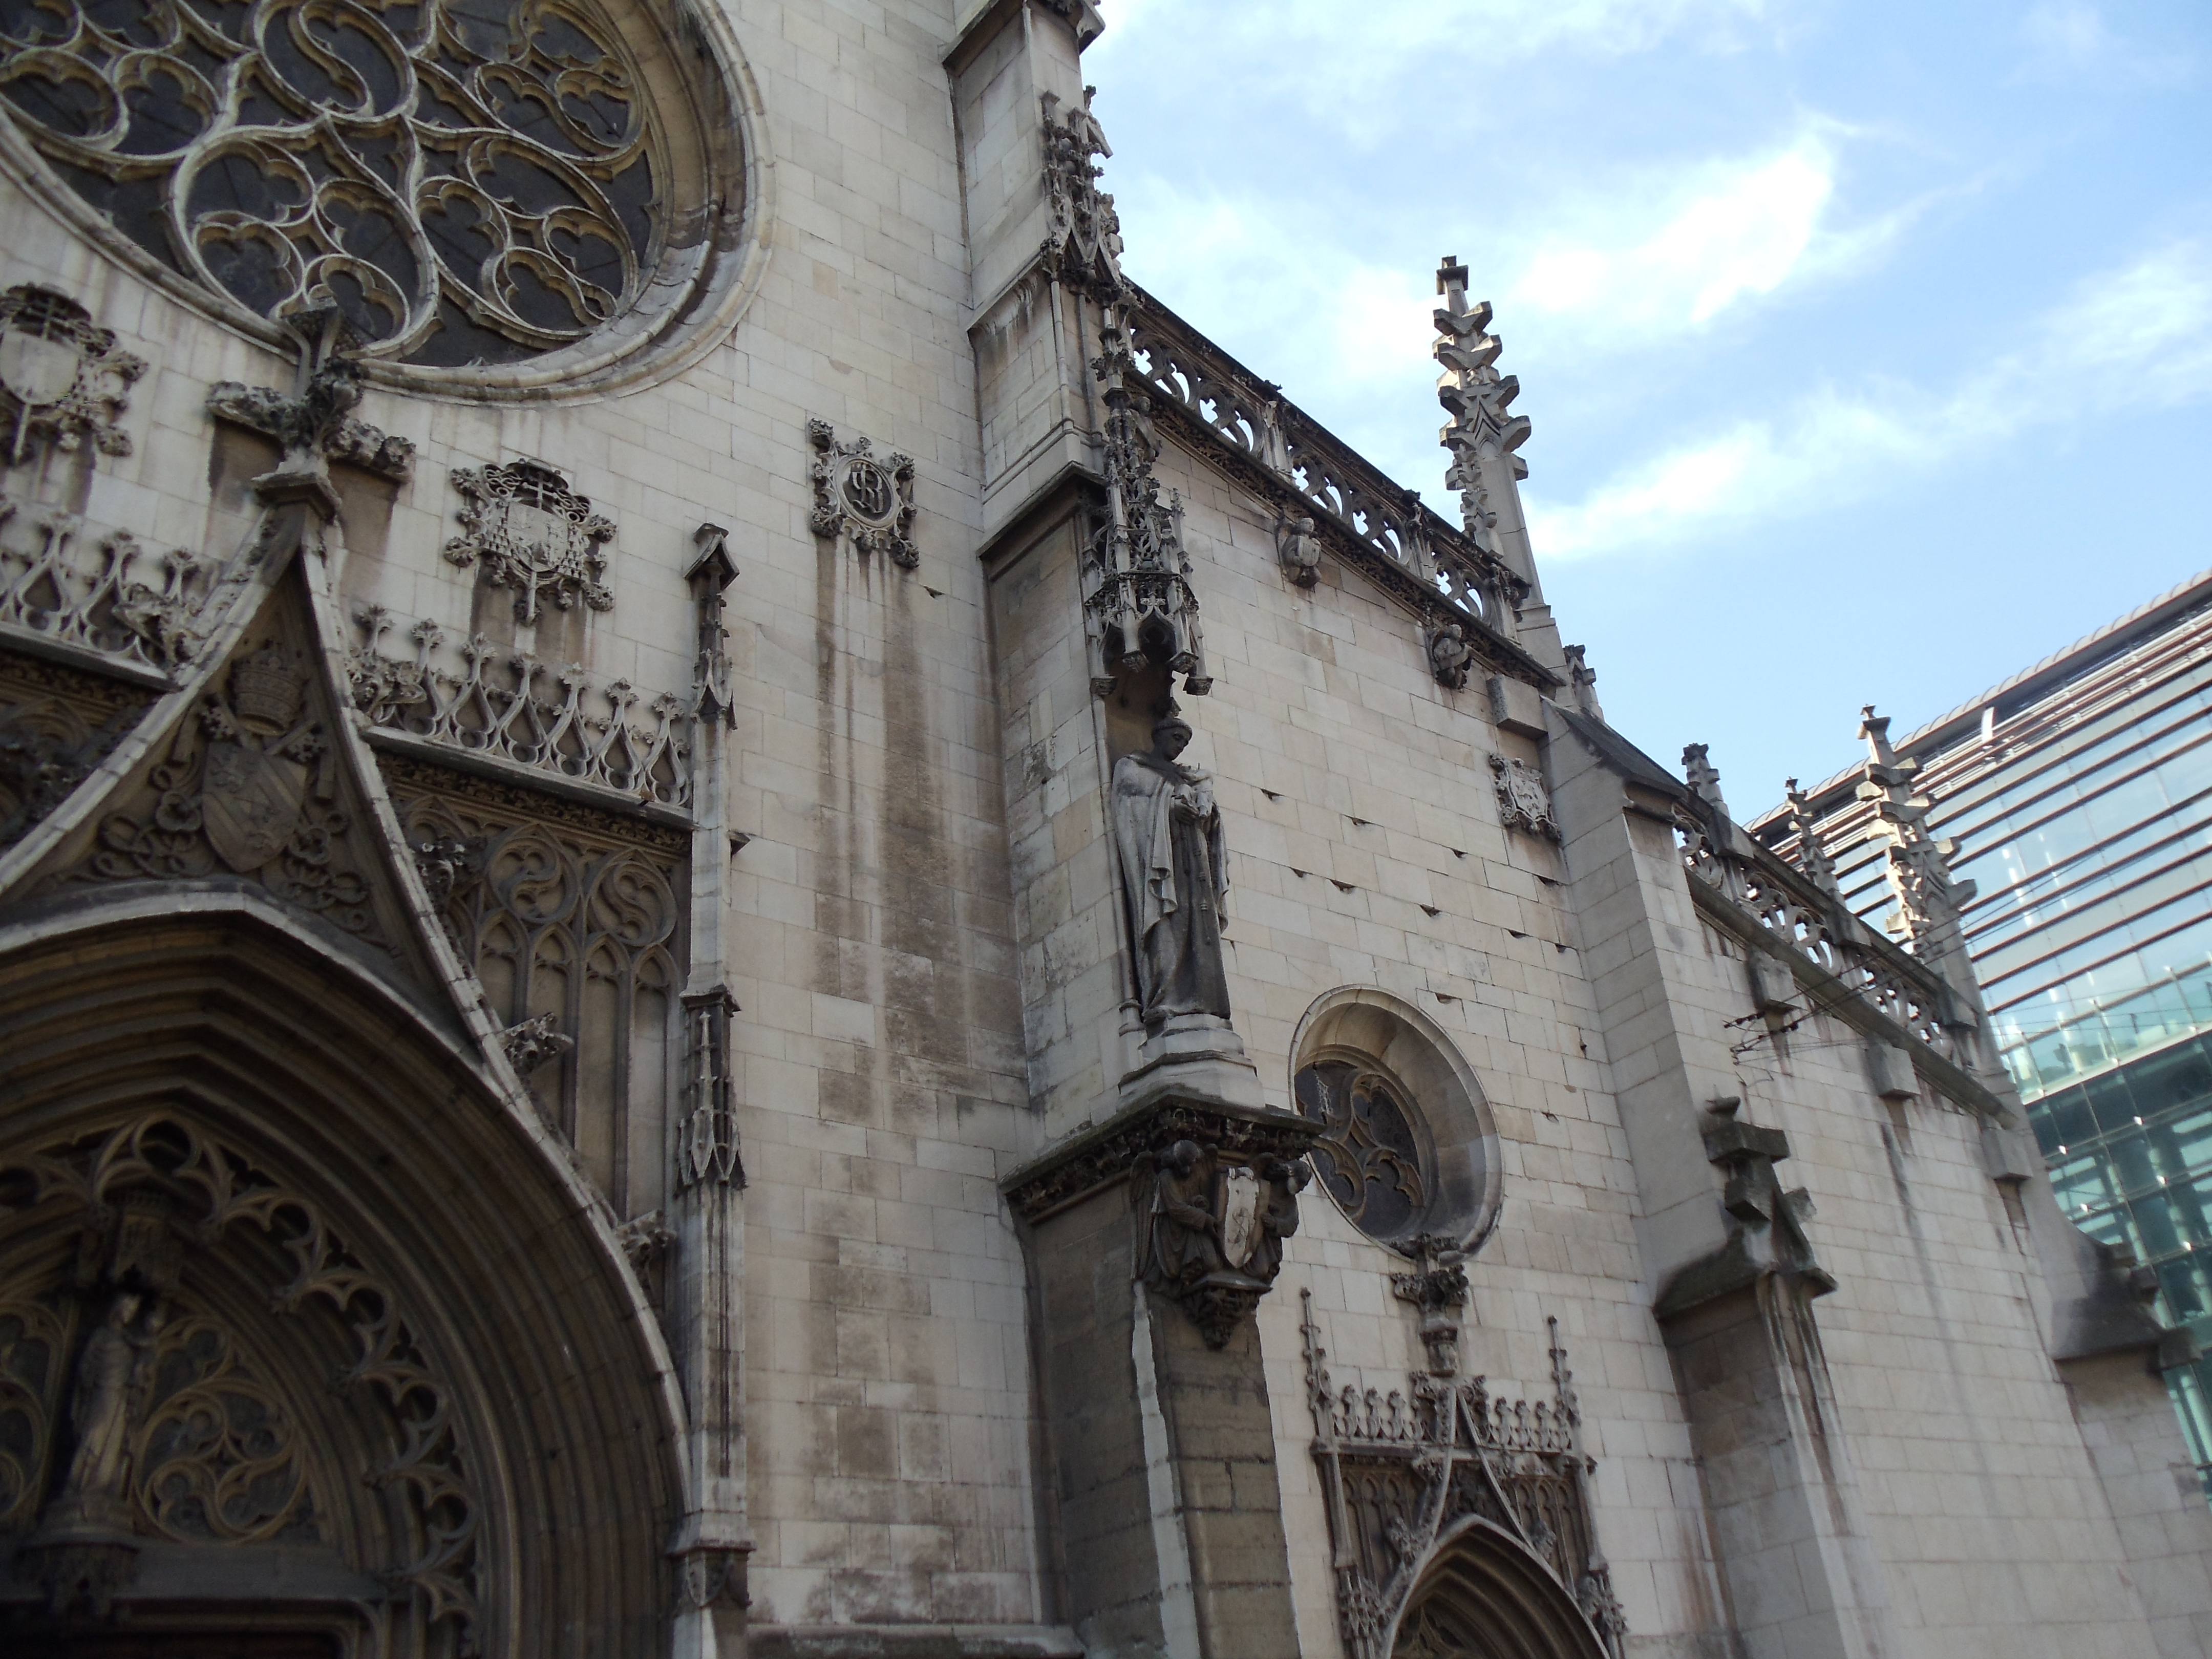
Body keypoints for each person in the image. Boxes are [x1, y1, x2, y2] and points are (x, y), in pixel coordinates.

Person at [1110, 715, 1230, 1026]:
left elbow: (1209, 824)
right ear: (1159, 736)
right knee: (1167, 929)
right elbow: (1128, 808)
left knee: (1199, 933)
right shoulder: (1132, 767)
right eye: (1177, 738)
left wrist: (1207, 812)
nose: (1181, 747)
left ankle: (1202, 999)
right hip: (1161, 871)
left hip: (1194, 867)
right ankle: (1165, 999)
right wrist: (1170, 808)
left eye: (1185, 743)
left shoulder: (1187, 777)